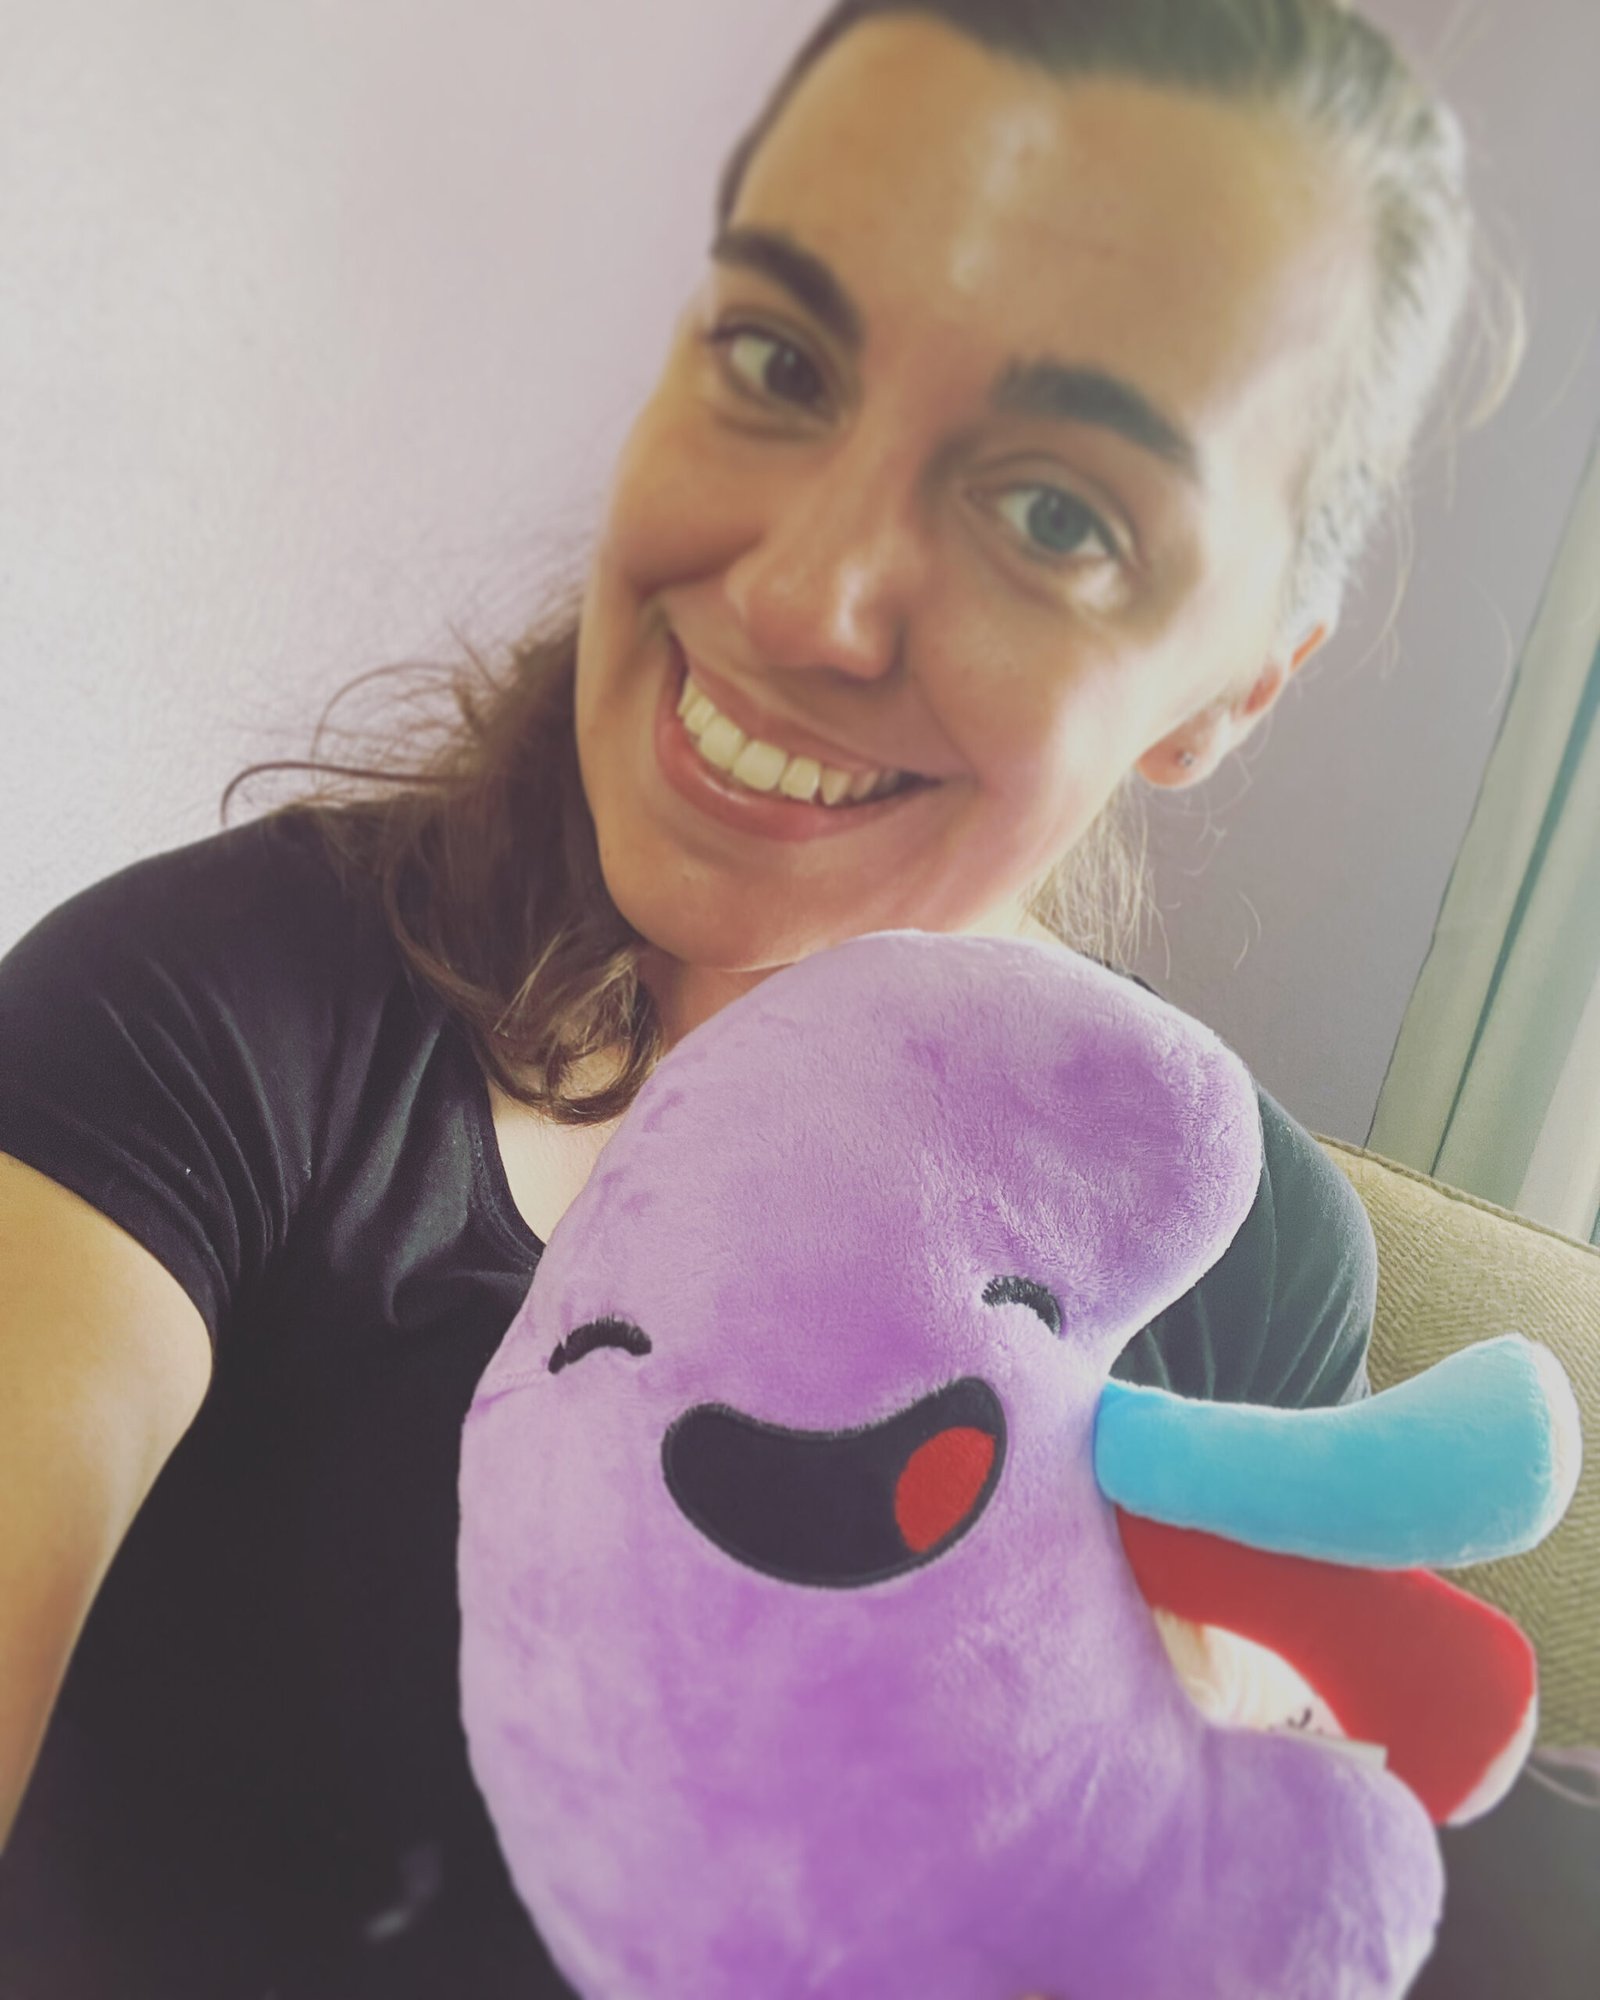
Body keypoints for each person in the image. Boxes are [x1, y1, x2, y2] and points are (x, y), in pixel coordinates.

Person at [0, 1, 1539, 1994]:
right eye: (775, 358)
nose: (807, 594)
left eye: (1056, 513)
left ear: (1236, 683)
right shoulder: (200, 1029)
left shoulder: (1242, 1263)